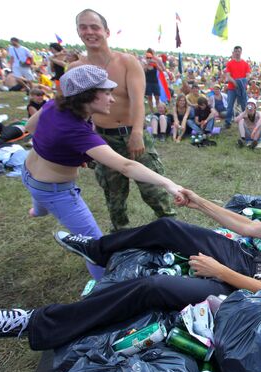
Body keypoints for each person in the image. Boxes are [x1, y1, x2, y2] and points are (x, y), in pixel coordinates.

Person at [0, 193, 261, 349]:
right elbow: (250, 227)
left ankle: (33, 324)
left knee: (151, 287)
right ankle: (97, 247)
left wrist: (220, 272)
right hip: (246, 262)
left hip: (247, 300)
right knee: (168, 227)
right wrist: (200, 203)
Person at [21, 65, 185, 280]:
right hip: (55, 191)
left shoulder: (54, 105)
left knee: (39, 203)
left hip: (29, 173)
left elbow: (32, 126)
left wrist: (61, 151)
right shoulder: (76, 131)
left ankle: (38, 211)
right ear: (87, 96)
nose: (112, 99)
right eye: (106, 93)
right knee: (95, 246)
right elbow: (127, 166)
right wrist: (167, 183)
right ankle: (107, 289)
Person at [73, 9, 176, 232]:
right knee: (114, 195)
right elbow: (72, 110)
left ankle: (173, 229)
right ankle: (121, 237)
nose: (89, 32)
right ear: (78, 32)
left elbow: (139, 101)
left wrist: (137, 132)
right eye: (83, 27)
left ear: (106, 31)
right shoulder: (76, 69)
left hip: (132, 132)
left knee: (154, 188)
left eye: (95, 27)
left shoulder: (126, 62)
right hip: (101, 139)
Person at [224, 46, 251, 129]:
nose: (237, 53)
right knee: (230, 106)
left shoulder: (245, 64)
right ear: (234, 52)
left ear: (241, 52)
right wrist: (235, 82)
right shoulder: (229, 63)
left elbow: (248, 76)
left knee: (244, 105)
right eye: (236, 51)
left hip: (242, 88)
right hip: (232, 88)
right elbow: (228, 76)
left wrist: (241, 83)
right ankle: (228, 122)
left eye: (239, 51)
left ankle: (247, 121)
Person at [141, 48, 165, 114]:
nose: (149, 59)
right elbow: (142, 71)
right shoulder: (144, 62)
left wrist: (156, 64)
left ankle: (158, 110)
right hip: (148, 82)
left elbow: (161, 70)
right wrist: (146, 65)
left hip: (155, 82)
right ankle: (152, 111)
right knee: (149, 98)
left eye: (150, 57)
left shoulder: (154, 63)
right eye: (148, 57)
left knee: (157, 97)